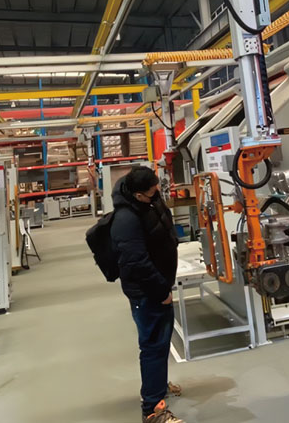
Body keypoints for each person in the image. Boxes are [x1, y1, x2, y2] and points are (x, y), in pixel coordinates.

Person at [110, 166, 183, 423]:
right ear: (138, 194)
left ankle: (158, 387)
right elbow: (137, 262)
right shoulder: (126, 220)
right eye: (152, 192)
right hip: (148, 292)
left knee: (161, 343)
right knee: (153, 346)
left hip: (159, 285)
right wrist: (161, 291)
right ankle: (153, 409)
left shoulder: (148, 201)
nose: (157, 194)